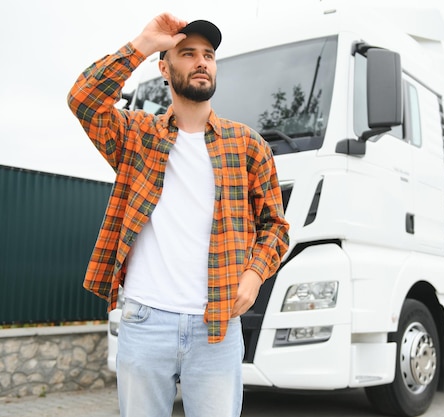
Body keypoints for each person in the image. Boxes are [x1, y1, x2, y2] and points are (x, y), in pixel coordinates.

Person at [67, 12, 290, 417]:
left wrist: (255, 274)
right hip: (145, 320)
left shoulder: (248, 146)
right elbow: (83, 99)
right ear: (165, 69)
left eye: (208, 54)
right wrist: (144, 43)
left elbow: (275, 226)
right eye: (187, 54)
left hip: (217, 326)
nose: (202, 61)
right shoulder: (137, 136)